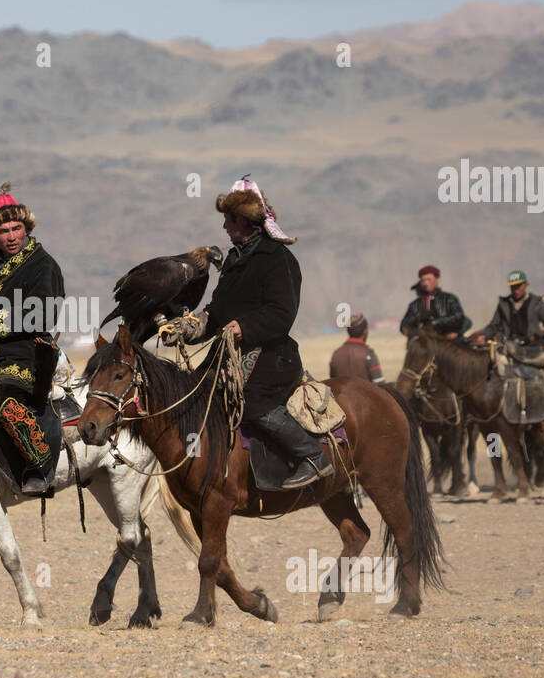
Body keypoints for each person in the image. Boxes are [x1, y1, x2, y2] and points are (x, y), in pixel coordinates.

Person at [164, 175, 331, 489]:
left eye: (228, 219)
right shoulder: (234, 260)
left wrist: (245, 327)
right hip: (227, 355)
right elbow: (216, 312)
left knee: (250, 402)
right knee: (194, 393)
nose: (224, 226)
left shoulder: (278, 259)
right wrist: (186, 328)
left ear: (241, 219)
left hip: (271, 357)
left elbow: (283, 314)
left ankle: (312, 456)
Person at [0, 182, 65, 495]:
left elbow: (45, 315)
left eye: (16, 228)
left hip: (28, 355)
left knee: (8, 404)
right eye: (4, 231)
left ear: (27, 228)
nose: (11, 237)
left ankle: (40, 466)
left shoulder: (43, 265)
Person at [474, 271, 544, 346]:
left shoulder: (536, 302)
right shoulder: (504, 304)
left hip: (533, 344)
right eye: (513, 287)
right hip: (509, 344)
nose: (516, 290)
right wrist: (484, 335)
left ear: (526, 285)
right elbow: (494, 325)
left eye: (518, 286)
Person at [400, 265, 466, 338]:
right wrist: (419, 326)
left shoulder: (449, 299)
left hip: (449, 343)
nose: (426, 283)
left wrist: (435, 323)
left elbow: (459, 317)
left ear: (437, 279)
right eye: (423, 280)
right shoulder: (415, 305)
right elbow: (404, 327)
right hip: (425, 344)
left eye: (429, 279)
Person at [329, 313, 386, 383]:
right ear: (365, 331)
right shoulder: (368, 354)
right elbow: (380, 383)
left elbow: (332, 383)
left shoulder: (336, 355)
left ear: (348, 331)